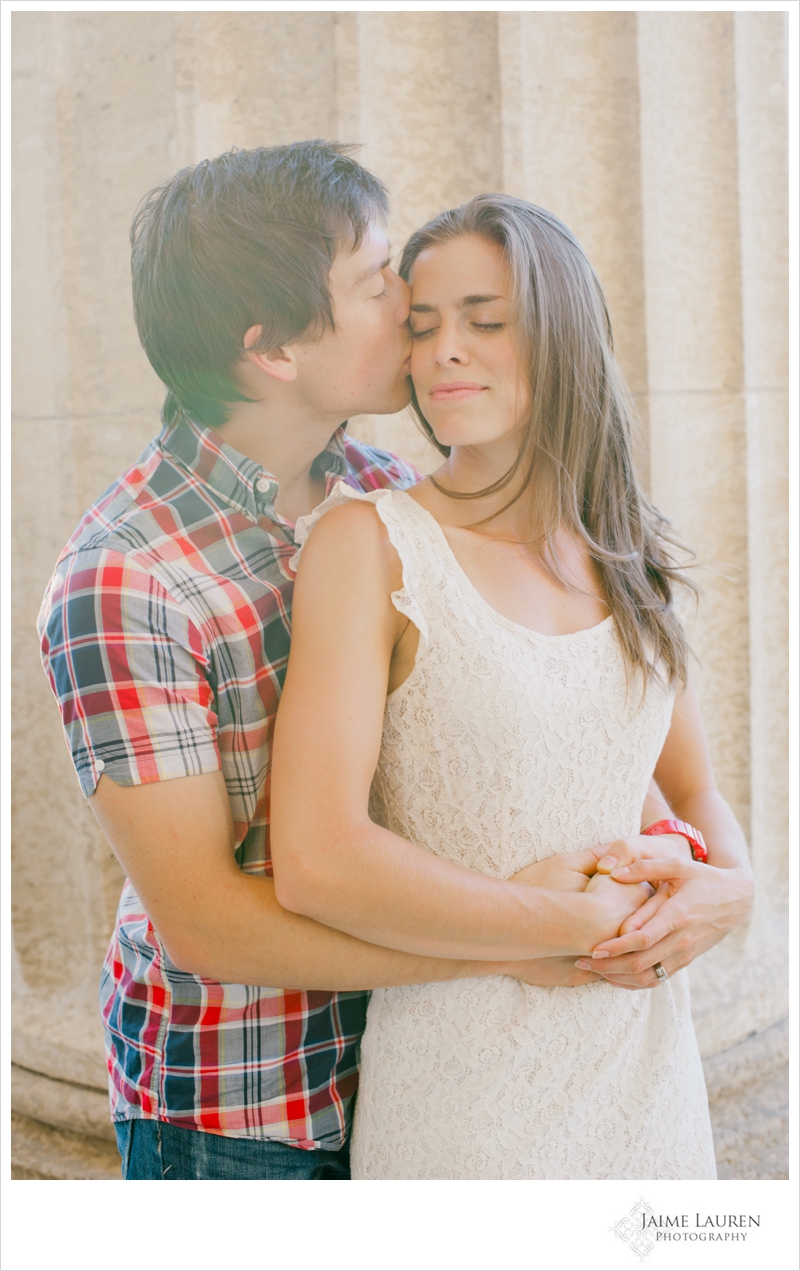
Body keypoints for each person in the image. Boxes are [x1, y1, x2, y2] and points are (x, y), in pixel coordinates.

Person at [38, 144, 751, 1182]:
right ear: (273, 349)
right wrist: (538, 940)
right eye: (384, 289)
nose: (417, 317)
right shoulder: (124, 578)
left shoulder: (386, 493)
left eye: (475, 315)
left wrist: (717, 880)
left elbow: (563, 737)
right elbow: (209, 924)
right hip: (245, 1110)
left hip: (424, 1055)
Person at [269, 194, 755, 1179]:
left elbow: (693, 788)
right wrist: (564, 924)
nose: (445, 348)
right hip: (461, 1100)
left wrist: (729, 890)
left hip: (647, 1083)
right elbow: (317, 857)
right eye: (423, 324)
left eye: (485, 320)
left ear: (562, 334)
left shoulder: (631, 556)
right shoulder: (366, 543)